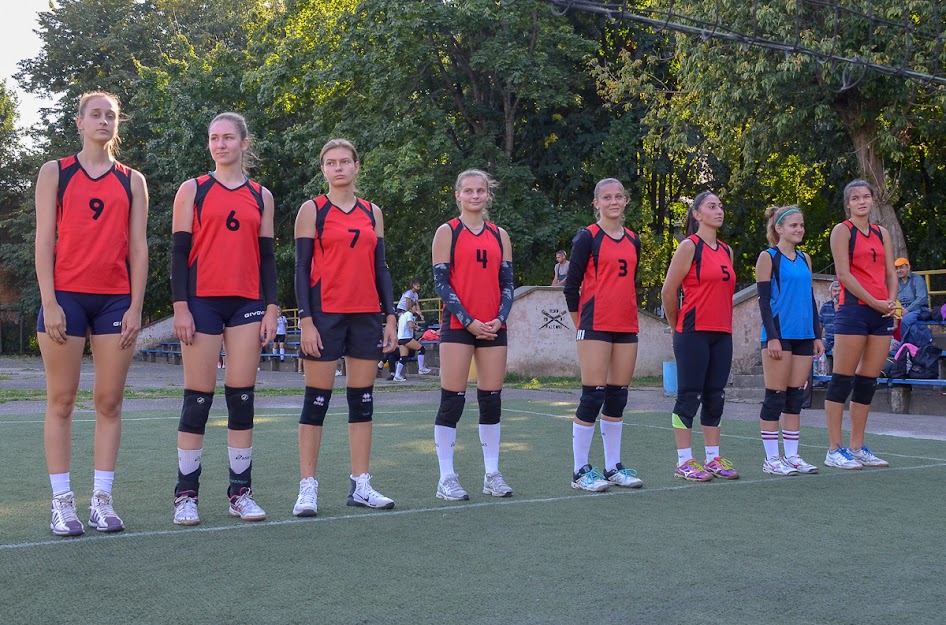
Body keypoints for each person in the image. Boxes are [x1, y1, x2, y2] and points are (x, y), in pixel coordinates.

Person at [35, 91, 149, 536]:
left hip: (116, 301)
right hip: (65, 297)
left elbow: (138, 248)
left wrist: (137, 306)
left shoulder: (132, 180)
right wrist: (49, 301)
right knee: (61, 400)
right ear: (79, 121)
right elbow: (44, 241)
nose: (104, 121)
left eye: (111, 115)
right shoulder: (55, 172)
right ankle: (62, 503)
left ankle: (102, 500)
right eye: (96, 114)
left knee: (109, 401)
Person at [170, 112, 278, 526]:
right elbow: (179, 253)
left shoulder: (261, 195)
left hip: (247, 302)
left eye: (228, 138)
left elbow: (267, 257)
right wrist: (181, 305)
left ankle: (240, 492)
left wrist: (272, 305)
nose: (220, 145)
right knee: (198, 398)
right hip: (201, 303)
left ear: (244, 143)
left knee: (241, 397)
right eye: (214, 138)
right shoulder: (192, 189)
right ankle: (185, 495)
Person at [292, 138, 398, 516]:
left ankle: (361, 484)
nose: (338, 168)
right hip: (325, 315)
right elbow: (302, 268)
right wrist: (306, 319)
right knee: (316, 401)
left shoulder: (372, 212)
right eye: (330, 163)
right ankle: (308, 487)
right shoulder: (313, 210)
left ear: (356, 166)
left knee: (362, 400)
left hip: (366, 314)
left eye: (344, 161)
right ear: (323, 170)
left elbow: (381, 268)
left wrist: (390, 317)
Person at [431, 169, 514, 501]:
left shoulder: (499, 235)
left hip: (494, 326)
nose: (475, 195)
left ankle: (491, 474)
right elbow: (441, 284)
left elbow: (507, 284)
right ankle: (446, 477)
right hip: (459, 327)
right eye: (469, 191)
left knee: (491, 401)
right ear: (458, 196)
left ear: (488, 195)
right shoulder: (447, 232)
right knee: (452, 401)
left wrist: (498, 318)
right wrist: (468, 321)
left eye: (481, 190)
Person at [563, 178, 644, 492]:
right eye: (607, 197)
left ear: (625, 202)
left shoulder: (634, 240)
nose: (614, 201)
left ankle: (613, 467)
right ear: (596, 203)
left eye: (619, 196)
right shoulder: (588, 237)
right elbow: (572, 286)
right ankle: (580, 471)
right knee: (592, 396)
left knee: (618, 396)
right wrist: (579, 323)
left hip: (626, 326)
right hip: (595, 325)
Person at [659, 191, 739, 482]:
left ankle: (713, 458)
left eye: (720, 206)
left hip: (722, 333)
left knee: (715, 396)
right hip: (692, 332)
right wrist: (676, 325)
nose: (719, 210)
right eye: (711, 206)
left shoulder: (727, 251)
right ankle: (684, 461)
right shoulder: (689, 247)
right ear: (697, 214)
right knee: (689, 396)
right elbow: (669, 290)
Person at [823, 180, 897, 470]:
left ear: (873, 201)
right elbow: (844, 274)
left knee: (867, 381)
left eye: (866, 196)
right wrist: (874, 302)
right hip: (854, 311)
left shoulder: (882, 232)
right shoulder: (842, 231)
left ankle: (857, 446)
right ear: (848, 204)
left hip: (881, 313)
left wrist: (890, 301)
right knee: (842, 379)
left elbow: (891, 271)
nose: (862, 201)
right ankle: (834, 448)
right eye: (856, 198)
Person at [755, 205, 824, 476]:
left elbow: (809, 298)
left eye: (801, 225)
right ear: (778, 229)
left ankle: (793, 456)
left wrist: (817, 335)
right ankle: (772, 459)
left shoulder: (805, 258)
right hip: (779, 336)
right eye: (793, 225)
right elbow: (763, 301)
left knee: (795, 397)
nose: (799, 230)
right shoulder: (768, 257)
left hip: (804, 336)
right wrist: (772, 337)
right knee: (775, 396)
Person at [895, 257, 931, 346]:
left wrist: (907, 310)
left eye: (901, 267)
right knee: (884, 319)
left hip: (917, 308)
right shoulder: (895, 281)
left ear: (908, 267)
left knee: (906, 320)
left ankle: (904, 347)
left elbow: (921, 299)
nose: (899, 270)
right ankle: (891, 346)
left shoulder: (917, 279)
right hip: (900, 308)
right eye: (897, 268)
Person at [392, 309, 431, 381]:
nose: (416, 309)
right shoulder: (409, 314)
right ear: (411, 307)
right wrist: (416, 326)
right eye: (415, 307)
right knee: (422, 349)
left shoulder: (402, 316)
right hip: (406, 337)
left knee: (403, 357)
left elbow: (398, 325)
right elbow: (410, 325)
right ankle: (421, 368)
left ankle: (397, 375)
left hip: (400, 338)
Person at [819, 281, 841, 354]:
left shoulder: (848, 307)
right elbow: (819, 326)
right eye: (834, 291)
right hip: (828, 341)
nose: (837, 293)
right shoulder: (825, 307)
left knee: (837, 351)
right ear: (830, 293)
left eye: (840, 291)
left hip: (843, 340)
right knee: (812, 347)